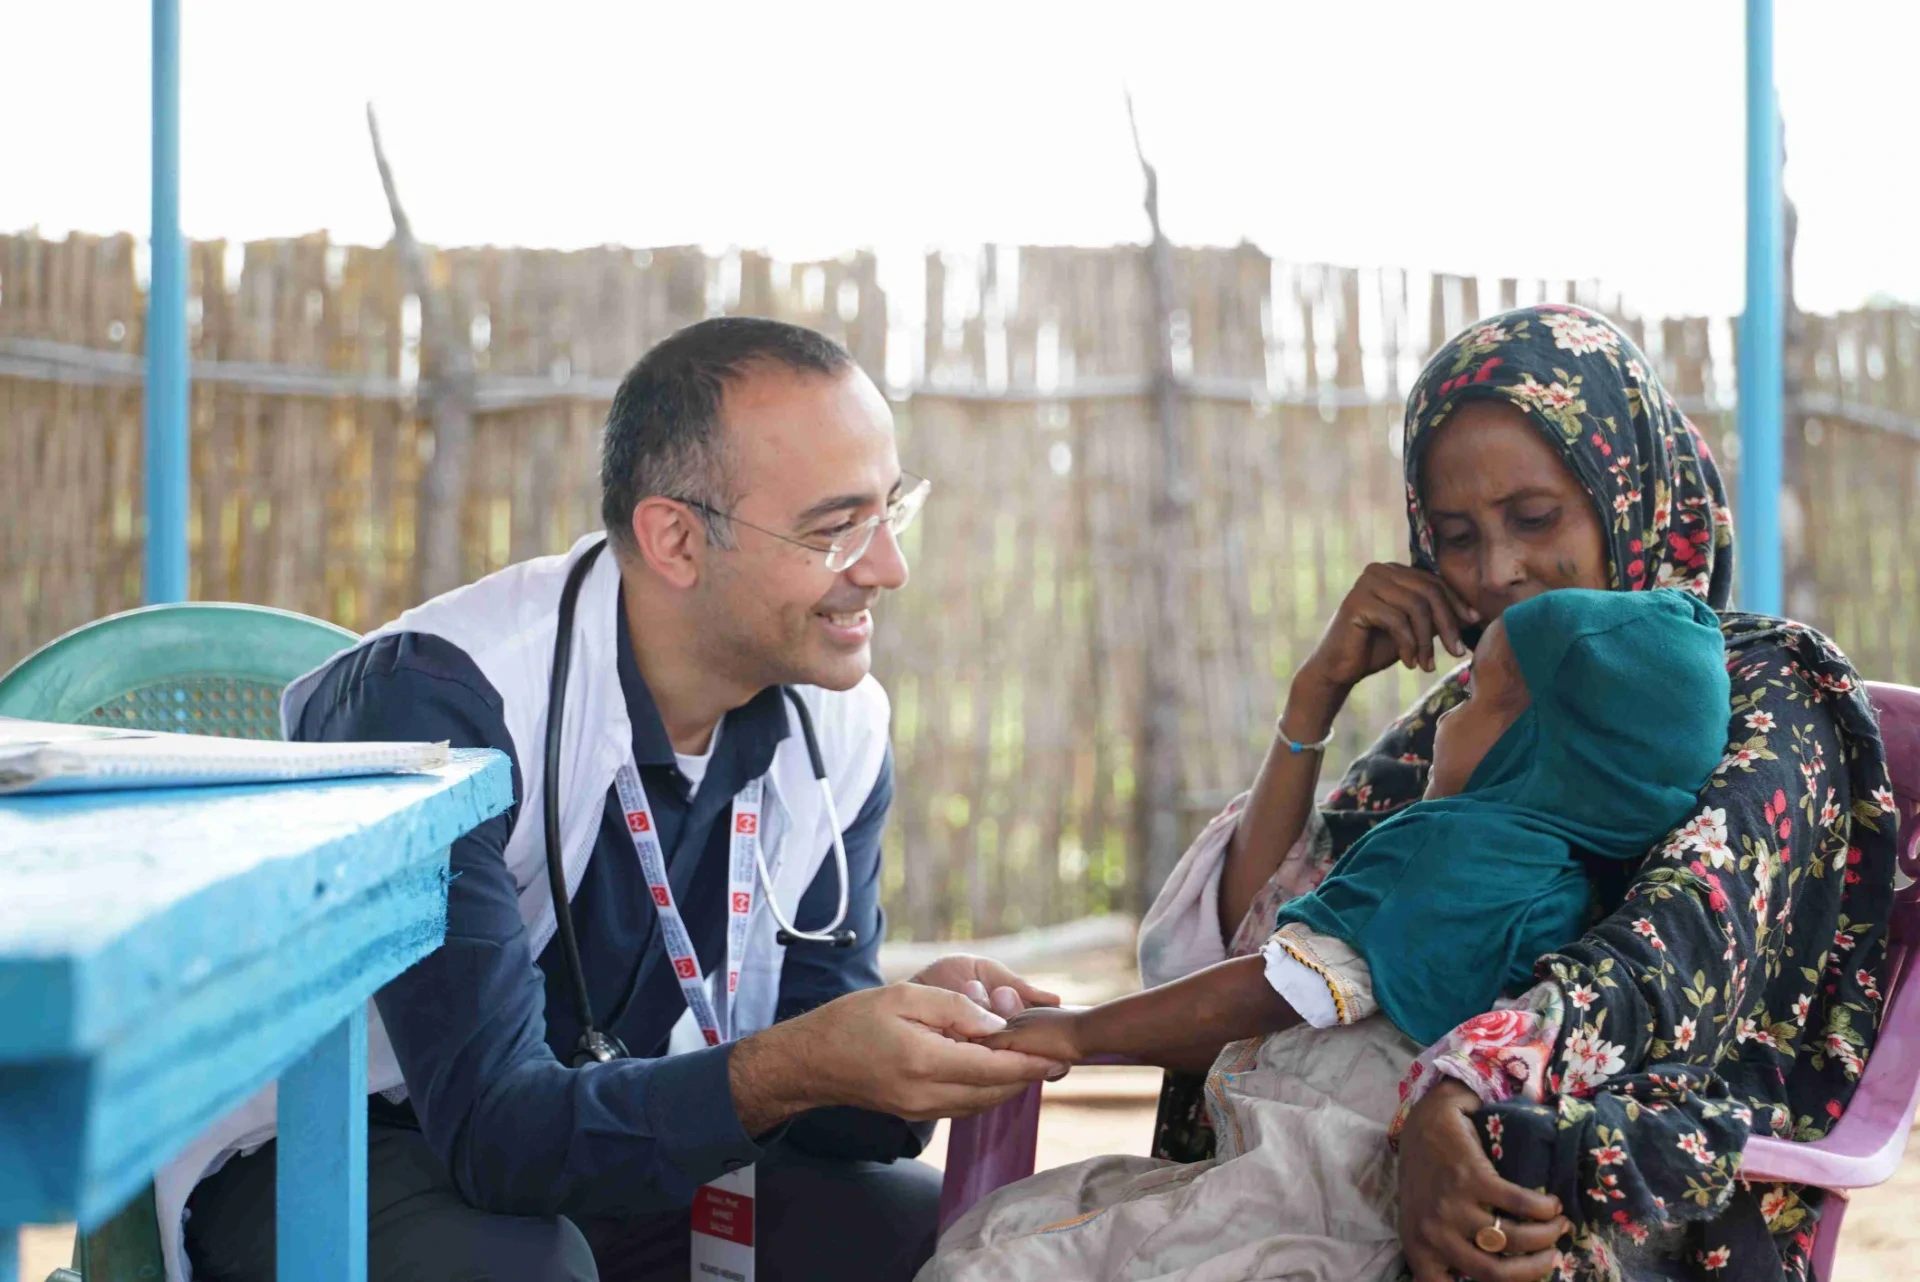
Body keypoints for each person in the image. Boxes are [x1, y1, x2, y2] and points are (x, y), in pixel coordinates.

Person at [161, 318, 1068, 1282]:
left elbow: (823, 1086)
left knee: (945, 1242)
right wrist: (799, 1064)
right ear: (675, 538)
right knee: (521, 1268)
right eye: (836, 529)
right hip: (340, 1144)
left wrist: (916, 1042)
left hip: (611, 1142)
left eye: (892, 510)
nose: (889, 567)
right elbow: (493, 1132)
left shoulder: (837, 726)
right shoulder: (444, 703)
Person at [1136, 305, 1897, 1281]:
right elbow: (1267, 947)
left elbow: (1672, 955)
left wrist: (1453, 1094)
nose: (1498, 572)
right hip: (1331, 1162)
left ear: (1631, 494)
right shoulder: (1473, 707)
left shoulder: (1766, 692)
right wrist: (1312, 700)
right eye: (1455, 537)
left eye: (1536, 519)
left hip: (1575, 1201)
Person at [921, 588, 1730, 1282]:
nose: (1444, 715)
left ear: (1531, 748)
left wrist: (1078, 1030)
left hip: (1284, 1197)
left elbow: (1269, 990)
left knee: (994, 1253)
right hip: (1345, 1222)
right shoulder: (1580, 894)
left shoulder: (1451, 851)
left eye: (1473, 694)